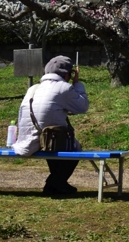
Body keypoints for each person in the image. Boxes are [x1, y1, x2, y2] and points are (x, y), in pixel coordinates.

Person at [13, 55, 89, 195]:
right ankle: (54, 183)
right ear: (68, 74)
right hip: (45, 140)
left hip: (26, 140)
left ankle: (58, 184)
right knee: (74, 147)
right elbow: (82, 106)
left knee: (53, 138)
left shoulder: (34, 88)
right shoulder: (64, 88)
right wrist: (77, 83)